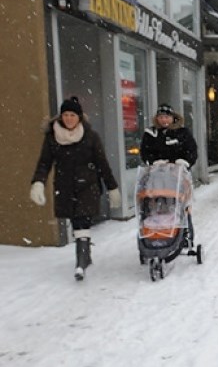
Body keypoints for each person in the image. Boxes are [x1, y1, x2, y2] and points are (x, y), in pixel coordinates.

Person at [30, 96, 121, 281]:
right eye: (65, 115)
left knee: (82, 220)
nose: (69, 118)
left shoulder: (90, 137)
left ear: (79, 117)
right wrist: (38, 182)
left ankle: (80, 262)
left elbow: (102, 164)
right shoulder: (52, 138)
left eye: (72, 114)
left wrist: (112, 188)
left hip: (88, 185)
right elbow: (44, 163)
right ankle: (85, 255)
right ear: (60, 117)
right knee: (76, 220)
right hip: (65, 187)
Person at [140, 103, 199, 247]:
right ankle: (155, 233)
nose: (164, 120)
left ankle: (184, 233)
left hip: (179, 175)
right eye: (161, 117)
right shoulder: (151, 133)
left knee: (181, 205)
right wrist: (153, 161)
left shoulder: (182, 132)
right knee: (156, 205)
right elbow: (145, 151)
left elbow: (191, 150)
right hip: (157, 176)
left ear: (173, 117)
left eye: (167, 117)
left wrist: (185, 162)